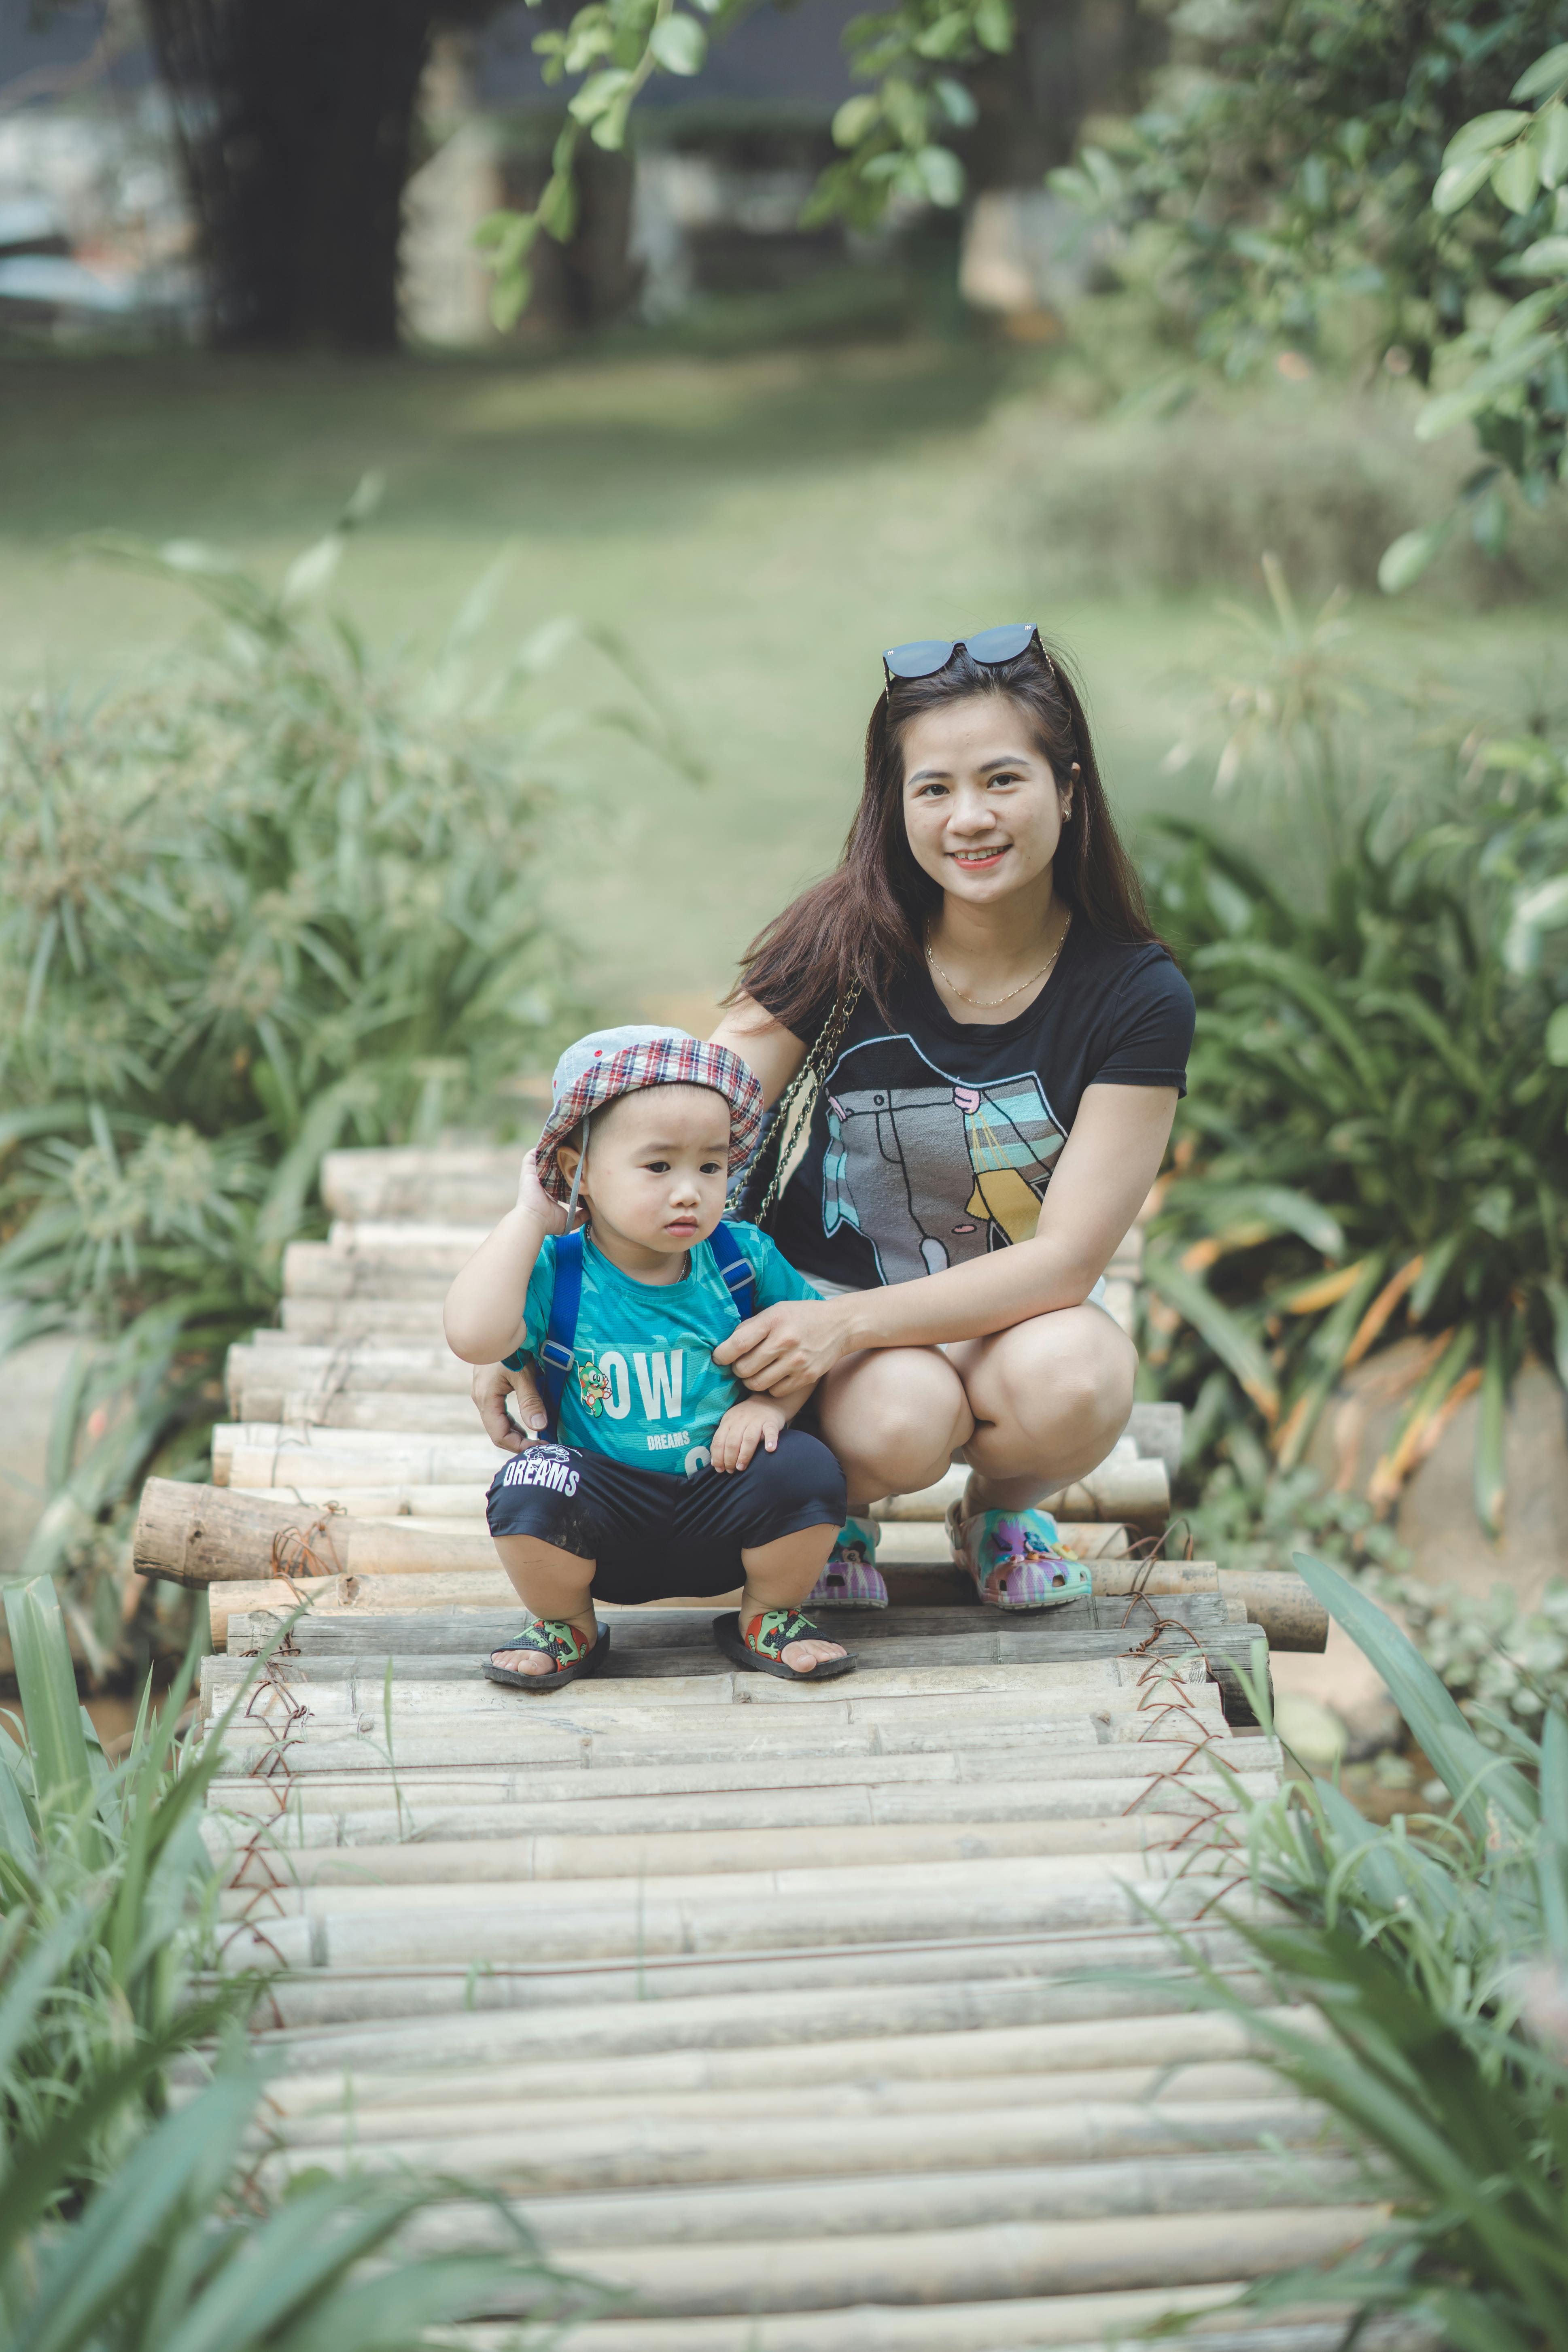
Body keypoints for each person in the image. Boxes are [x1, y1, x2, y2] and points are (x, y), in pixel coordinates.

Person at [470, 626, 1193, 1613]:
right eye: (933, 788)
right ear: (895, 805)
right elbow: (667, 1116)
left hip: (1005, 1312)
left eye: (1003, 780)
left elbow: (1067, 1261)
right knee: (902, 1413)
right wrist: (530, 1318)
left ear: (1069, 787)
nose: (969, 818)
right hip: (811, 1288)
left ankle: (1001, 1512)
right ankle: (827, 1506)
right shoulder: (846, 936)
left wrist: (846, 1327)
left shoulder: (1135, 993)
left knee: (1083, 1373)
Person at [443, 1027, 853, 1691]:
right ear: (580, 1173)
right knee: (530, 1482)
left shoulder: (742, 1261)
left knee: (806, 1467)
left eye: (711, 1166)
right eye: (659, 1167)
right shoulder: (559, 1272)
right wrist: (530, 1218)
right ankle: (566, 1624)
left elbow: (807, 1350)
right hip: (602, 1528)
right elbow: (473, 1336)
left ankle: (769, 1615)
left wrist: (769, 1404)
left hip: (724, 1510)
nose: (689, 1191)